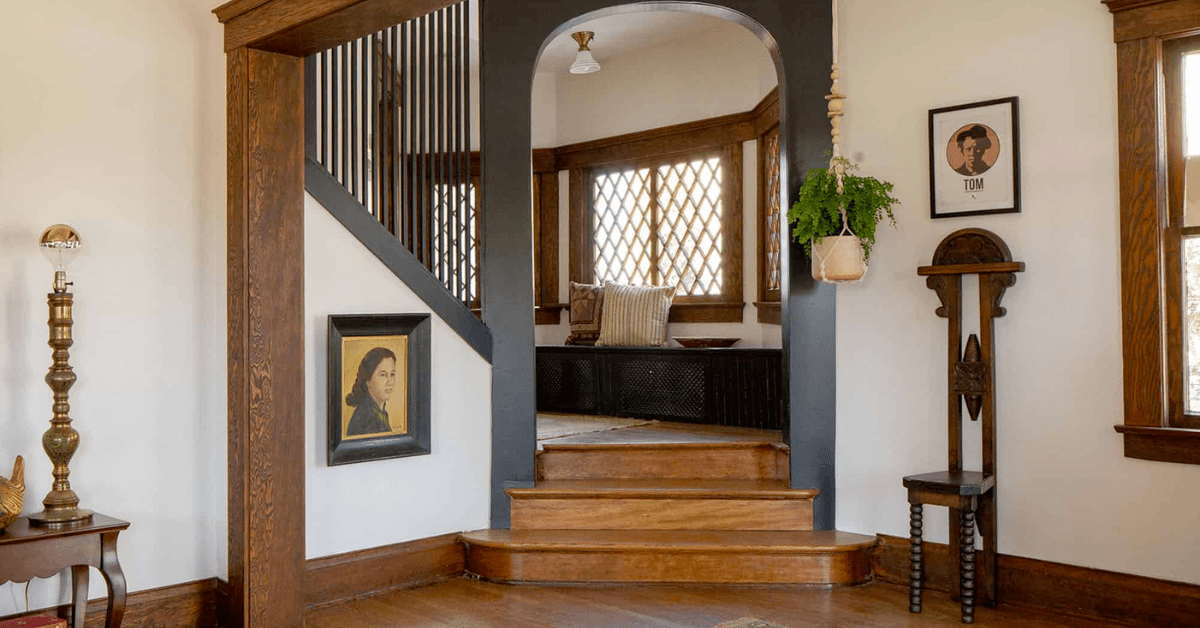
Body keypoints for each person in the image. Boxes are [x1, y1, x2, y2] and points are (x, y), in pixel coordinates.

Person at [345, 347, 397, 436]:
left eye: (392, 374)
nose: (390, 382)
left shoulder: (380, 413)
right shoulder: (366, 418)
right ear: (368, 380)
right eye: (383, 375)